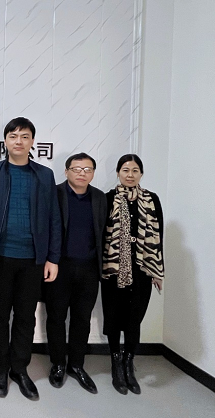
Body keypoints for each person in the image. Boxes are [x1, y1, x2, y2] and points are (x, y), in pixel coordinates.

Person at [0, 117, 61, 401]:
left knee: (26, 316)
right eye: (13, 136)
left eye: (24, 136)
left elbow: (53, 218)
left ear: (32, 142)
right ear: (5, 141)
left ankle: (19, 369)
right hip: (0, 256)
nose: (18, 141)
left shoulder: (44, 175)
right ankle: (0, 368)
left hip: (33, 259)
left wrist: (52, 258)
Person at [44, 153, 107, 394]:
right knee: (56, 317)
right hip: (60, 266)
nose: (82, 173)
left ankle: (77, 365)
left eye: (87, 169)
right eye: (77, 169)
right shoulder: (55, 194)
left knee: (82, 318)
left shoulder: (100, 198)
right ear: (66, 171)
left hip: (90, 268)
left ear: (93, 173)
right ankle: (58, 364)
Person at [102, 154, 164, 395]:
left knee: (134, 317)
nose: (130, 174)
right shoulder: (108, 198)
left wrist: (157, 270)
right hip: (113, 266)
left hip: (142, 267)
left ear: (141, 174)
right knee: (113, 316)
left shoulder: (152, 199)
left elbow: (158, 236)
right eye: (125, 170)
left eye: (135, 170)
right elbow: (101, 233)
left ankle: (129, 362)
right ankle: (116, 363)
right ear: (118, 172)